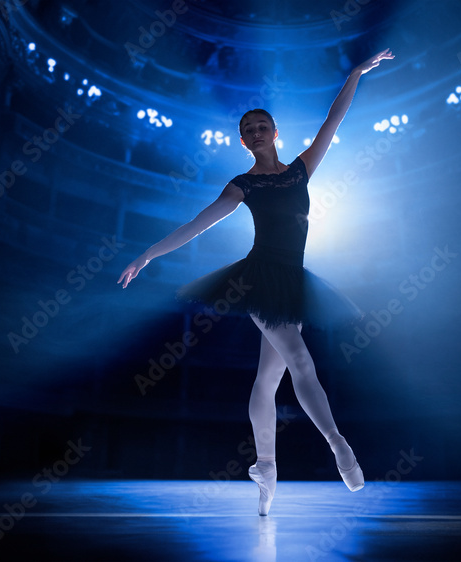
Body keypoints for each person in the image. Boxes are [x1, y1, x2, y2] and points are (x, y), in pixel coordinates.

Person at [119, 48, 395, 516]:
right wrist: (149, 253)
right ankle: (338, 445)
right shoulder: (242, 185)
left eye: (261, 125)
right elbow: (198, 224)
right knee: (301, 361)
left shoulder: (301, 168)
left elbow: (334, 121)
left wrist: (354, 74)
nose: (254, 132)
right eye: (247, 129)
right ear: (243, 141)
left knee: (269, 377)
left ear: (275, 132)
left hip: (291, 280)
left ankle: (265, 467)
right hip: (258, 278)